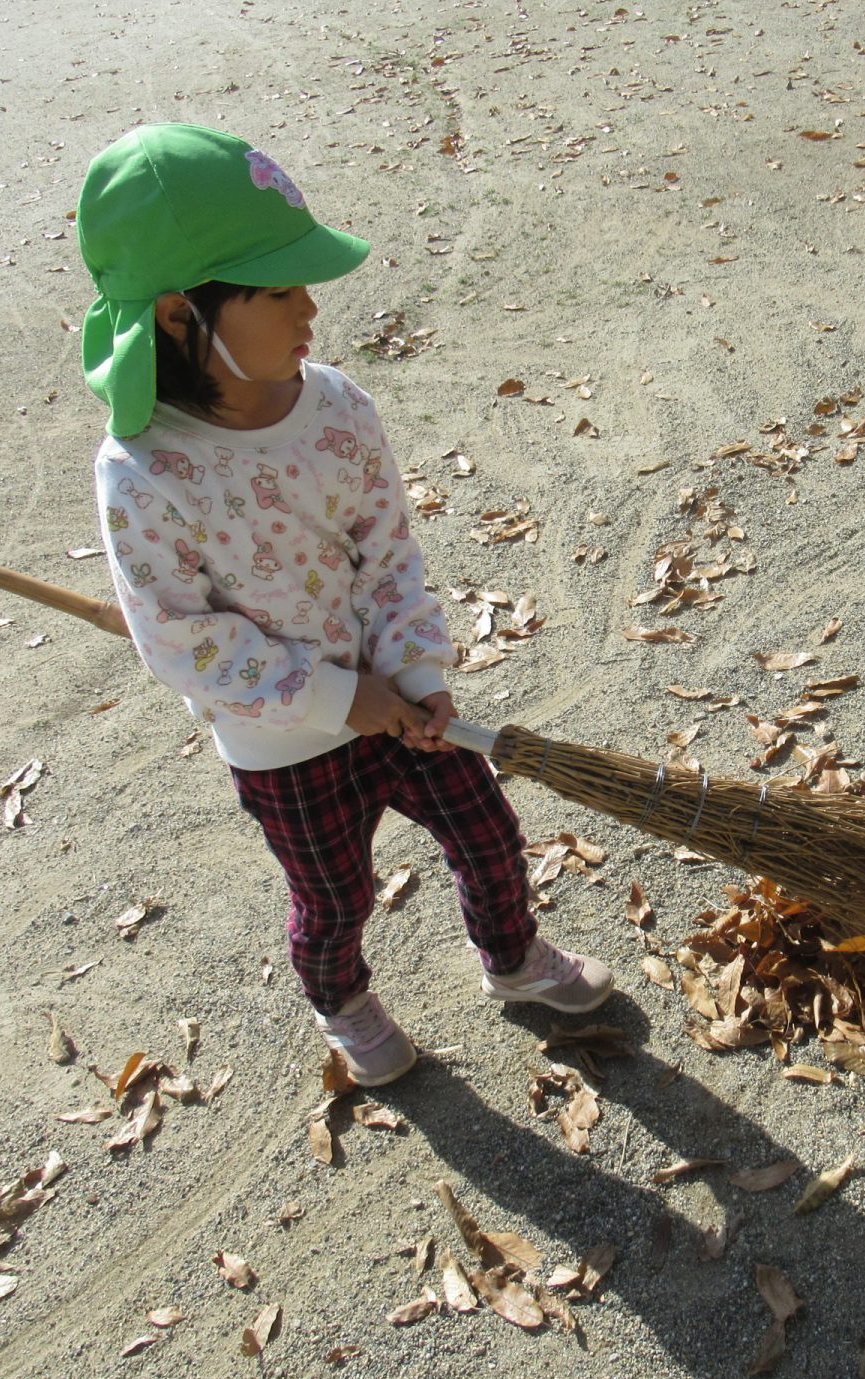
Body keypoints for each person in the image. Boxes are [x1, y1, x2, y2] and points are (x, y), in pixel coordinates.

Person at [76, 123, 612, 1086]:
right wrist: (332, 698)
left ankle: (512, 958)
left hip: (398, 702)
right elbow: (182, 641)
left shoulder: (337, 411)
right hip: (283, 742)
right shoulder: (145, 473)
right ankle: (344, 1003)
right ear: (177, 314)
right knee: (335, 897)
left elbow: (387, 549)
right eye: (278, 289)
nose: (311, 307)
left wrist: (412, 667)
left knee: (488, 835)